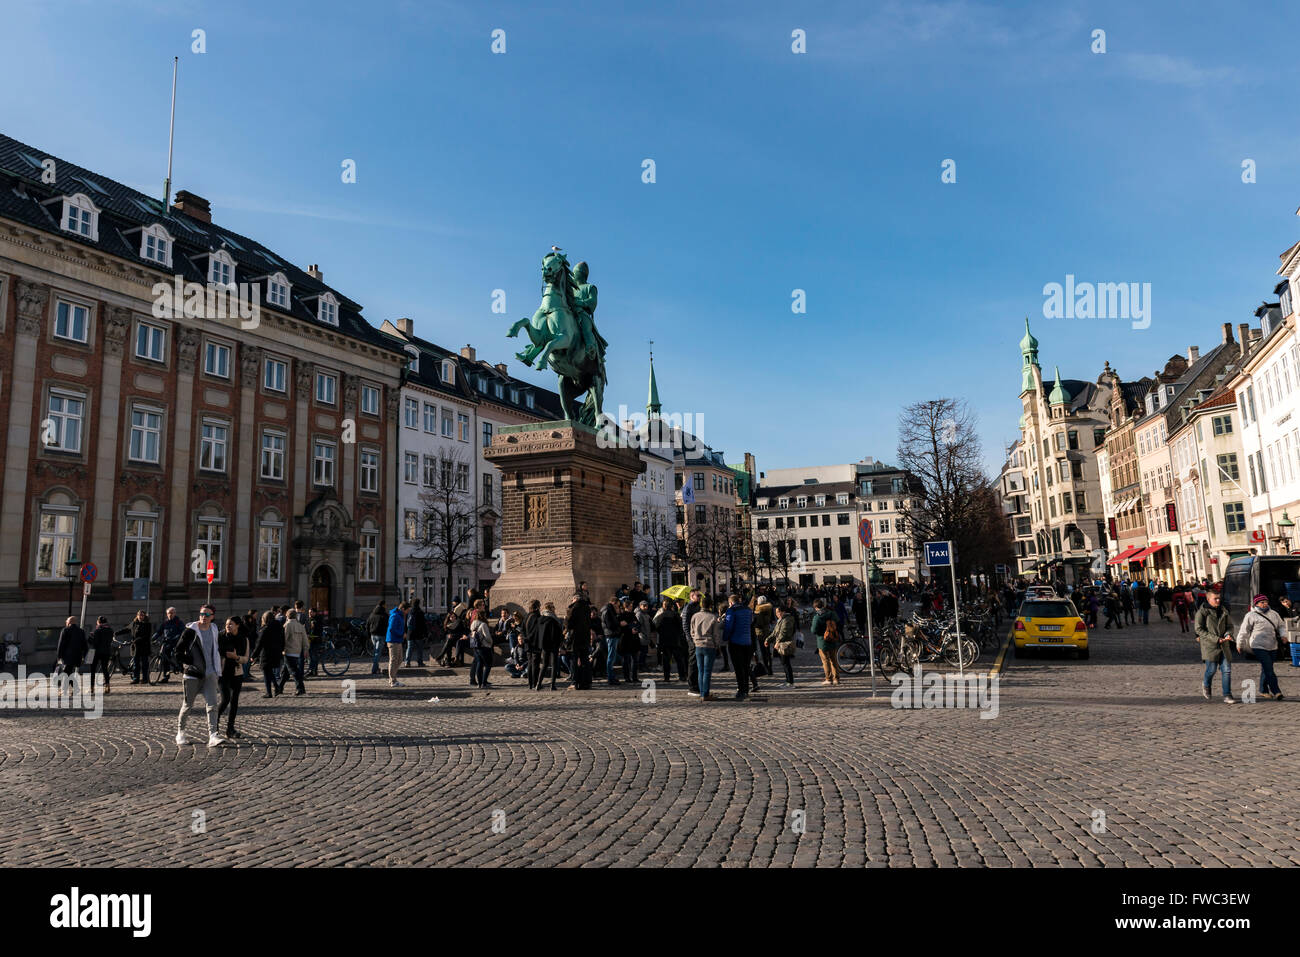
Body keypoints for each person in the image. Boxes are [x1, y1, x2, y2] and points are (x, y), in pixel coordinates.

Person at [175, 605, 230, 748]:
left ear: (212, 616)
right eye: (201, 613)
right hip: (193, 675)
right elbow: (178, 652)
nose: (203, 616)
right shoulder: (190, 632)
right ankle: (180, 732)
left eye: (207, 614)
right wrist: (190, 663)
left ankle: (213, 735)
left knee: (212, 705)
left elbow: (216, 649)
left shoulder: (214, 629)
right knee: (188, 705)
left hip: (210, 673)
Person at [1236, 594, 1285, 701]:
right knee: (1269, 668)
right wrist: (1239, 644)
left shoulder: (1274, 614)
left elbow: (1281, 625)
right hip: (1258, 645)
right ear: (1256, 604)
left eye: (1266, 601)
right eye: (1262, 602)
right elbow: (1244, 631)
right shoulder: (1251, 615)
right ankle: (1276, 691)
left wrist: (1283, 635)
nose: (1265, 604)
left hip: (1272, 645)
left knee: (1267, 668)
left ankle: (1263, 690)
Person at [1194, 587, 1234, 703]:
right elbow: (1198, 629)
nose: (1218, 601)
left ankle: (1227, 695)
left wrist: (1228, 634)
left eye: (1219, 599)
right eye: (1215, 599)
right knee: (1211, 670)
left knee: (1226, 670)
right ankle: (1206, 684)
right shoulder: (1202, 612)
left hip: (1224, 645)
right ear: (1208, 599)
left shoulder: (1223, 610)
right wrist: (1216, 639)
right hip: (1210, 646)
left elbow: (1230, 626)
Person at [217, 616, 250, 739]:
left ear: (237, 625)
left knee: (234, 701)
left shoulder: (244, 639)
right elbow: (215, 652)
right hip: (222, 672)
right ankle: (214, 724)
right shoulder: (220, 637)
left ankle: (230, 729)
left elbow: (245, 658)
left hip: (237, 672)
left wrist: (236, 657)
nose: (228, 626)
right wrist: (226, 655)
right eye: (226, 624)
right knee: (225, 699)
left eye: (231, 624)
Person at [723, 593, 755, 699]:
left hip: (735, 642)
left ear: (731, 602)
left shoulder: (731, 610)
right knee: (746, 667)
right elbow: (750, 623)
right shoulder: (748, 610)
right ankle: (746, 689)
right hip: (748, 642)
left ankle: (741, 690)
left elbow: (728, 626)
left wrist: (725, 638)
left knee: (738, 667)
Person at [690, 595, 722, 701]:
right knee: (707, 671)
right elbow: (716, 635)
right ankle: (705, 693)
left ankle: (702, 692)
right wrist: (717, 646)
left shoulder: (695, 616)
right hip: (709, 646)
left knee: (700, 670)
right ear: (710, 605)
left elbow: (692, 632)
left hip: (698, 645)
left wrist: (696, 640)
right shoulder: (712, 617)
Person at [252, 610, 285, 698]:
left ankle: (269, 692)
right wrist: (281, 649)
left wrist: (254, 655)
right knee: (269, 671)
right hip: (276, 652)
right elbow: (283, 640)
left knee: (266, 673)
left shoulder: (265, 629)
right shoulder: (279, 627)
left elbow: (260, 643)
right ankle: (276, 687)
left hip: (266, 653)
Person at [278, 609, 309, 696]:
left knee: (293, 671)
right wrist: (306, 649)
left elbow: (285, 638)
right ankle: (279, 688)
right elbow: (305, 639)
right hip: (297, 651)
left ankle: (300, 688)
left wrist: (281, 649)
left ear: (287, 616)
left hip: (288, 651)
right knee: (285, 672)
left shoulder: (287, 625)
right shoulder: (300, 625)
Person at [565, 592, 593, 689]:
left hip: (575, 638)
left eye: (572, 600)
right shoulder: (587, 608)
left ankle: (575, 682)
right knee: (585, 660)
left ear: (575, 599)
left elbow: (568, 625)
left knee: (574, 660)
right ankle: (586, 682)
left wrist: (566, 620)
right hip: (585, 637)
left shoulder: (573, 608)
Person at [54, 616, 87, 697]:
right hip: (77, 656)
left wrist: (59, 656)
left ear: (69, 622)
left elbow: (60, 644)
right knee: (68, 672)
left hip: (67, 657)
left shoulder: (65, 630)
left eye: (66, 621)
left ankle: (65, 690)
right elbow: (85, 646)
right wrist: (84, 656)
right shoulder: (81, 631)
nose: (66, 622)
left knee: (66, 673)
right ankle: (74, 689)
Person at [654, 598, 686, 682]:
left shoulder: (661, 615)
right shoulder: (676, 615)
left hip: (664, 641)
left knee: (666, 660)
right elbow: (681, 627)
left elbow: (656, 627)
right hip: (675, 640)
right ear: (672, 606)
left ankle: (667, 677)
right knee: (679, 659)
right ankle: (682, 676)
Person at [812, 599, 842, 685]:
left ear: (816, 607)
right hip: (833, 639)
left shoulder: (817, 617)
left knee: (825, 660)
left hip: (822, 641)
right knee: (834, 659)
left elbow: (813, 630)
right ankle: (836, 678)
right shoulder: (831, 613)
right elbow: (838, 621)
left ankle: (828, 679)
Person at [767, 604, 797, 687]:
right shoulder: (781, 619)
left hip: (785, 644)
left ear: (783, 612)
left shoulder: (787, 620)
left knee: (786, 663)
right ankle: (788, 681)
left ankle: (790, 682)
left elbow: (783, 632)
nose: (777, 614)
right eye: (776, 612)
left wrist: (777, 642)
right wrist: (768, 640)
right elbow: (775, 632)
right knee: (784, 663)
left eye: (778, 612)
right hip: (780, 644)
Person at [153, 606, 186, 682]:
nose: (170, 614)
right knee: (165, 659)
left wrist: (175, 638)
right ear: (167, 614)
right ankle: (165, 677)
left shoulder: (179, 622)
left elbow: (182, 632)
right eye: (168, 613)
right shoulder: (165, 623)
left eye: (172, 613)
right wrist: (153, 637)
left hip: (177, 643)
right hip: (167, 643)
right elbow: (159, 632)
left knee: (177, 656)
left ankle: (182, 670)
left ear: (175, 613)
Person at [538, 601, 565, 690]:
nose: (555, 609)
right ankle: (552, 685)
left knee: (544, 665)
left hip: (544, 645)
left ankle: (538, 684)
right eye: (553, 607)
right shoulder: (553, 619)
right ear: (550, 608)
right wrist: (559, 643)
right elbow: (555, 633)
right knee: (554, 664)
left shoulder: (541, 619)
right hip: (553, 644)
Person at [88, 615, 115, 696]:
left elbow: (95, 643)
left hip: (96, 652)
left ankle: (92, 688)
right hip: (106, 652)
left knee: (93, 670)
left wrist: (90, 638)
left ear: (98, 622)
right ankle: (107, 686)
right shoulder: (110, 630)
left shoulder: (97, 631)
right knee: (105, 669)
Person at [682, 589, 702, 697]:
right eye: (697, 596)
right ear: (691, 597)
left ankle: (697, 685)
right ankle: (692, 687)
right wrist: (690, 640)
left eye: (700, 596)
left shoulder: (698, 607)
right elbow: (685, 626)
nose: (699, 597)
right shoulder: (688, 608)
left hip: (698, 638)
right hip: (692, 640)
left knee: (697, 663)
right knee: (693, 663)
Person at [468, 608, 494, 689]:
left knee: (479, 664)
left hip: (476, 647)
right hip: (484, 647)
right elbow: (487, 637)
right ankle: (484, 682)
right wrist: (491, 643)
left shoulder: (473, 624)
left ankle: (479, 683)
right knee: (488, 665)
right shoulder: (483, 625)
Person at [125, 609, 152, 685]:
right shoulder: (134, 623)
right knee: (136, 664)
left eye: (142, 615)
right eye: (139, 615)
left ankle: (145, 679)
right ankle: (136, 678)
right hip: (135, 648)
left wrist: (136, 640)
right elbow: (126, 629)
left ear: (144, 616)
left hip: (144, 647)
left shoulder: (147, 624)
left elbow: (146, 636)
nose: (140, 616)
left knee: (144, 664)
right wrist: (116, 633)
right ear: (137, 616)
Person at [386, 600, 409, 687]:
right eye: (407, 610)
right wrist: (401, 634)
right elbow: (392, 629)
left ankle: (393, 678)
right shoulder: (395, 616)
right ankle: (392, 680)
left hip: (398, 640)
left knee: (399, 659)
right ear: (403, 609)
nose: (408, 612)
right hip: (393, 640)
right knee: (394, 659)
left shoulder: (400, 615)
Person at [600, 595, 621, 685]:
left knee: (612, 657)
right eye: (617, 605)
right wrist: (619, 624)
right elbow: (610, 624)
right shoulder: (608, 610)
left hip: (611, 634)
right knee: (611, 657)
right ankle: (610, 678)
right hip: (611, 635)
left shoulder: (609, 610)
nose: (618, 607)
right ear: (613, 603)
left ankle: (611, 676)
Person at [366, 601, 387, 675]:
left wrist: (368, 635)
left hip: (373, 635)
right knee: (377, 653)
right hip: (380, 635)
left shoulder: (372, 614)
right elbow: (387, 625)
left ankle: (376, 668)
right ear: (383, 605)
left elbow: (367, 624)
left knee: (375, 652)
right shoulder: (384, 615)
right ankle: (374, 669)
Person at [405, 600, 428, 666]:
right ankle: (420, 662)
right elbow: (423, 624)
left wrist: (406, 632)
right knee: (419, 649)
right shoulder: (420, 612)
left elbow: (406, 623)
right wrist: (425, 634)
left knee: (409, 648)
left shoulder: (410, 612)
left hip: (410, 633)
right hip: (418, 633)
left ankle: (407, 662)